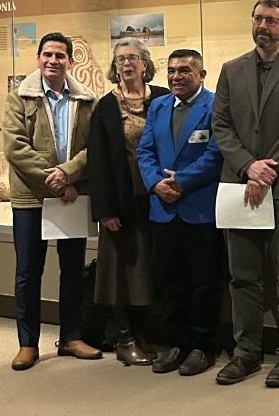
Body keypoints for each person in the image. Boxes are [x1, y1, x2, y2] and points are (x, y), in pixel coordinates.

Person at [212, 0, 279, 387]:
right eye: (258, 18)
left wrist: (266, 170)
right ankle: (246, 354)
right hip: (240, 184)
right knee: (242, 276)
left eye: (271, 20)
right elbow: (221, 125)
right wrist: (247, 166)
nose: (263, 25)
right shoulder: (230, 69)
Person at [3, 32, 101, 370]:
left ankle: (72, 338)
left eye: (60, 55)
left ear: (70, 62)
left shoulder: (87, 100)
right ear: (38, 58)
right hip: (31, 198)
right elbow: (15, 148)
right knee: (29, 272)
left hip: (71, 197)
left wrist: (69, 175)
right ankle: (27, 344)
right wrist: (58, 183)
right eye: (47, 54)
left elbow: (94, 148)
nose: (52, 60)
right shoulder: (19, 98)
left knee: (73, 270)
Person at [137, 49, 224, 376]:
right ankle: (177, 342)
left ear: (201, 74)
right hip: (163, 209)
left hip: (199, 209)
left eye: (185, 70)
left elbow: (216, 155)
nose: (176, 76)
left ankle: (203, 346)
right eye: (172, 70)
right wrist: (154, 184)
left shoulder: (215, 105)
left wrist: (182, 182)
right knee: (171, 280)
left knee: (205, 281)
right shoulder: (158, 106)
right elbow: (145, 151)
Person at [88, 37, 169, 366]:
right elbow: (98, 162)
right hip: (121, 203)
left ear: (145, 64)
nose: (127, 63)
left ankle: (142, 333)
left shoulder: (163, 99)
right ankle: (123, 338)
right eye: (121, 58)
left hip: (157, 199)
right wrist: (104, 210)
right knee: (119, 273)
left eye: (133, 57)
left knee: (147, 270)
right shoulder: (105, 107)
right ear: (114, 66)